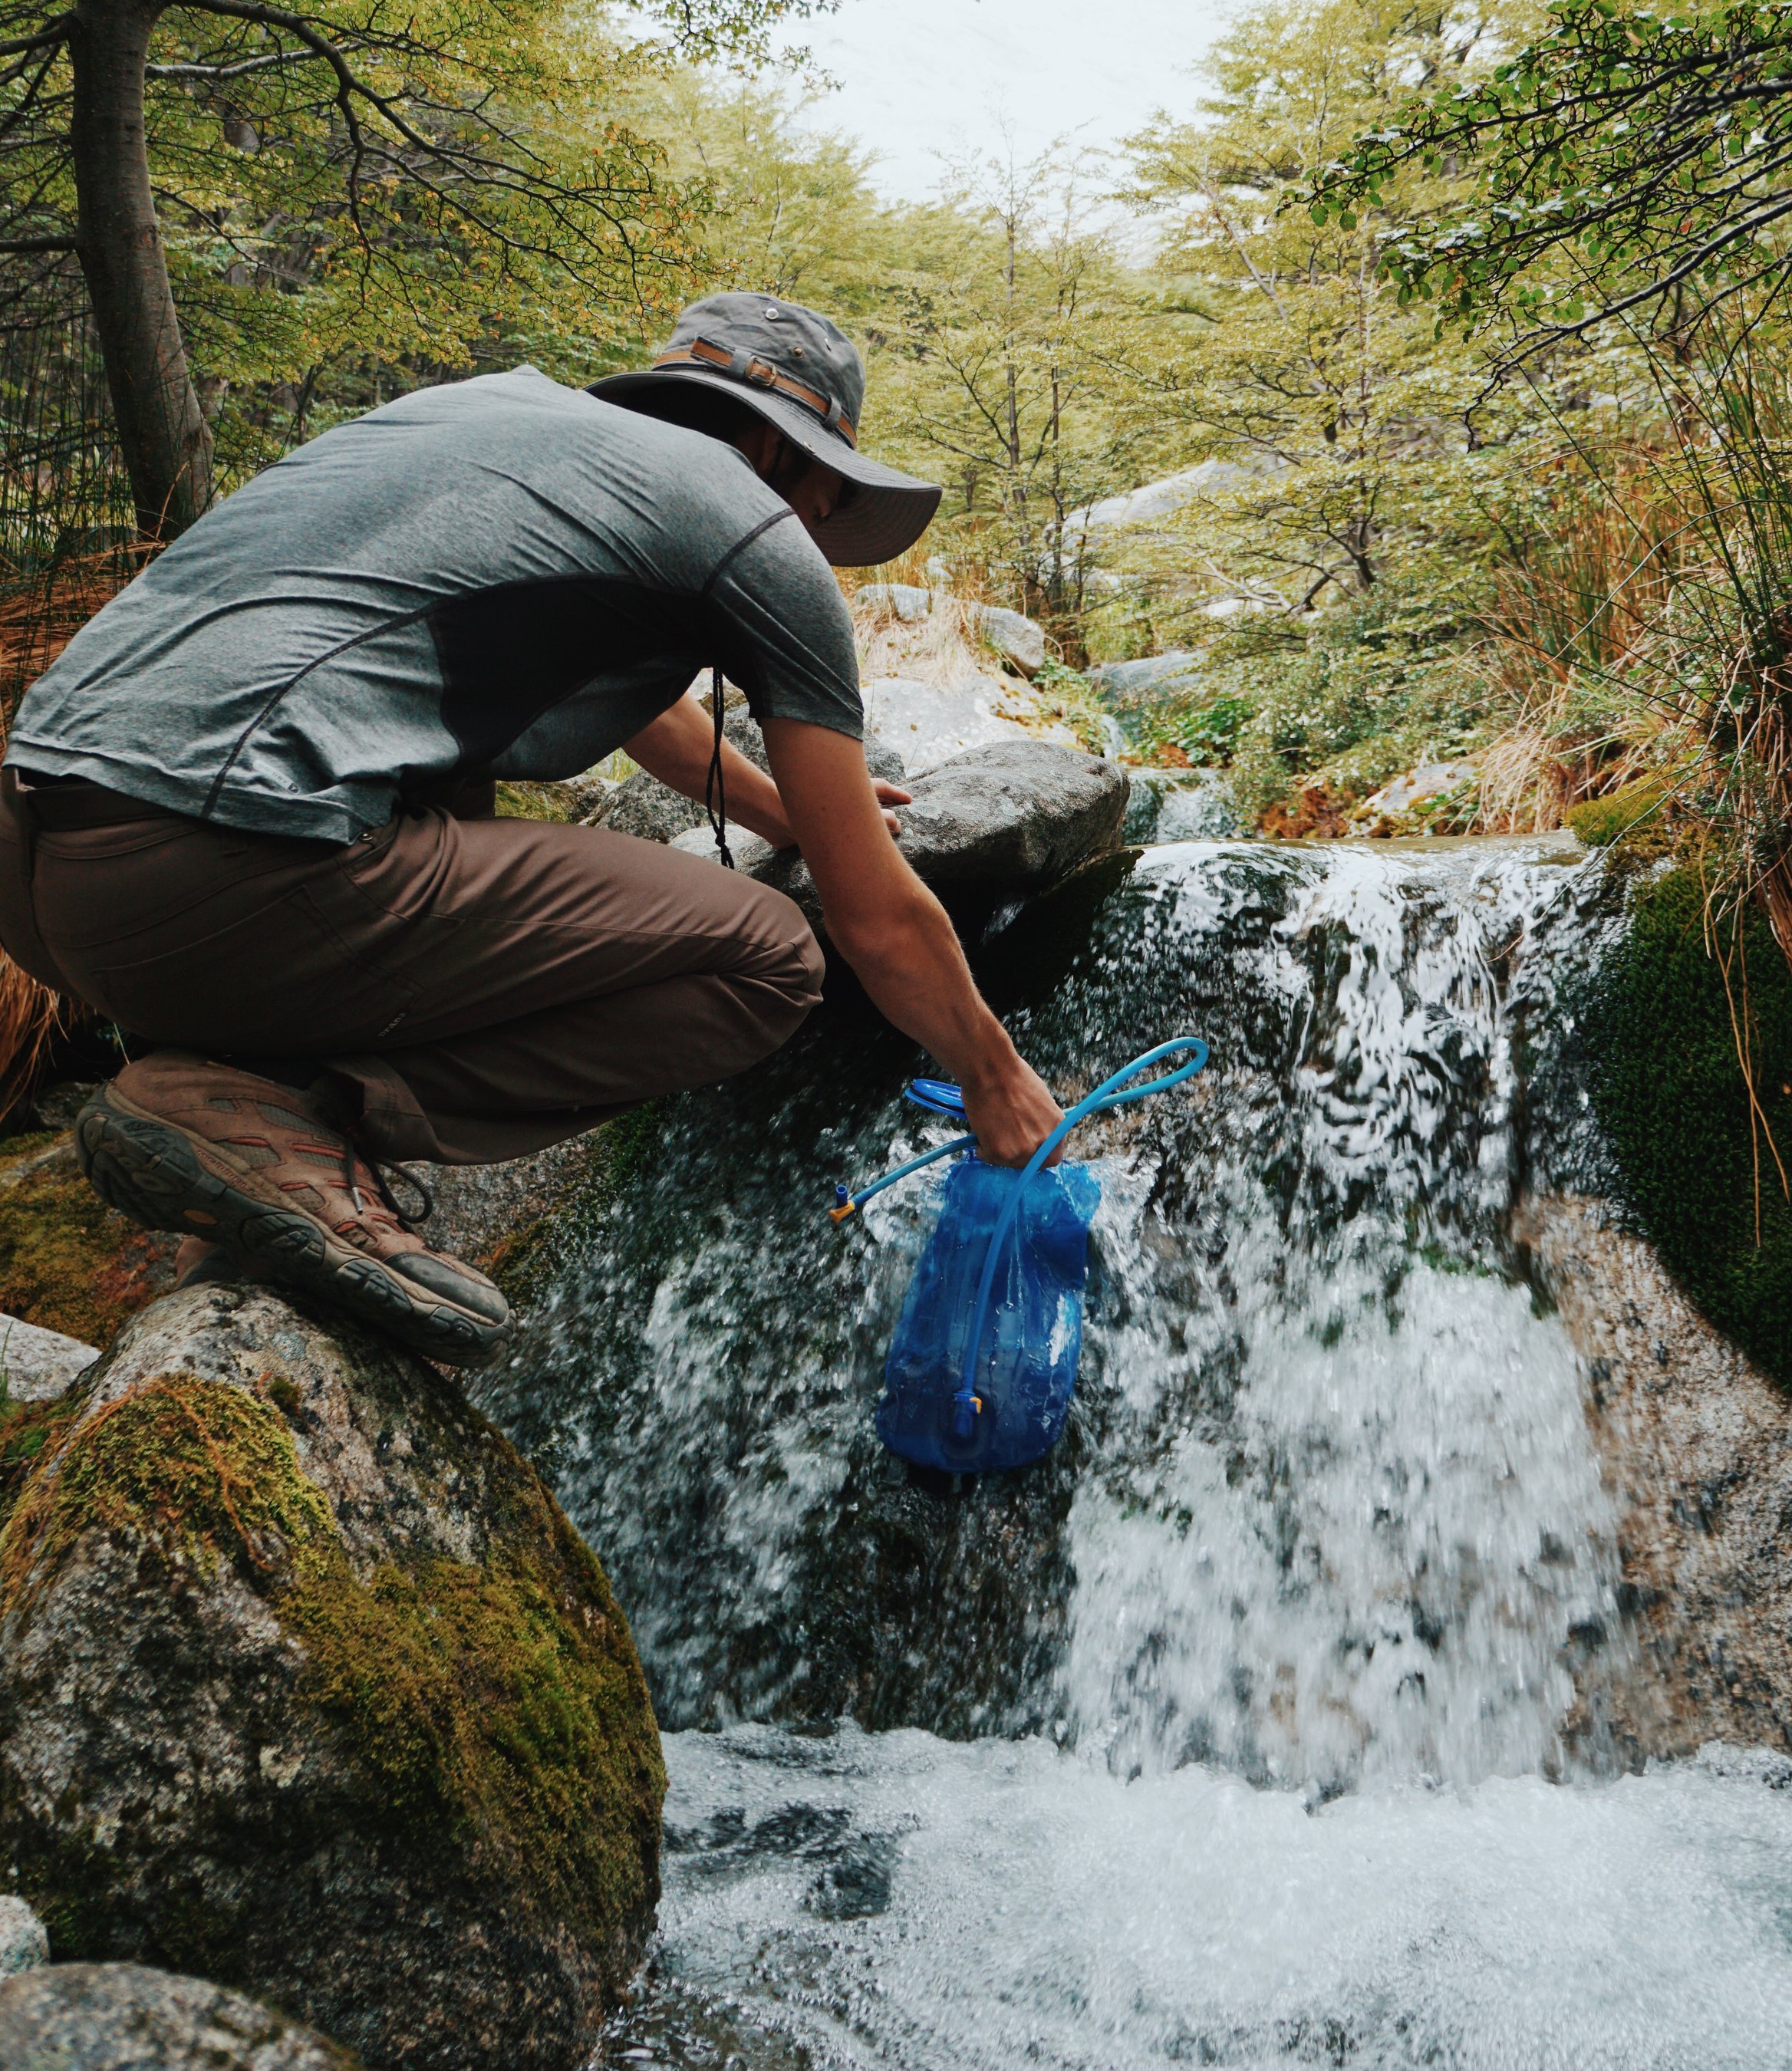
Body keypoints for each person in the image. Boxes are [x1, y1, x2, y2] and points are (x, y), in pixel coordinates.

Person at [0, 293, 1062, 1365]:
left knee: (439, 792)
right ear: (772, 447)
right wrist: (993, 1073)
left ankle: (236, 1152)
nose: (822, 529)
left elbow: (641, 705)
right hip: (218, 859)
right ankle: (286, 1117)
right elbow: (871, 916)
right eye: (829, 491)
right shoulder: (746, 521)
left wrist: (780, 810)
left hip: (47, 871)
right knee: (771, 959)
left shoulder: (484, 421)